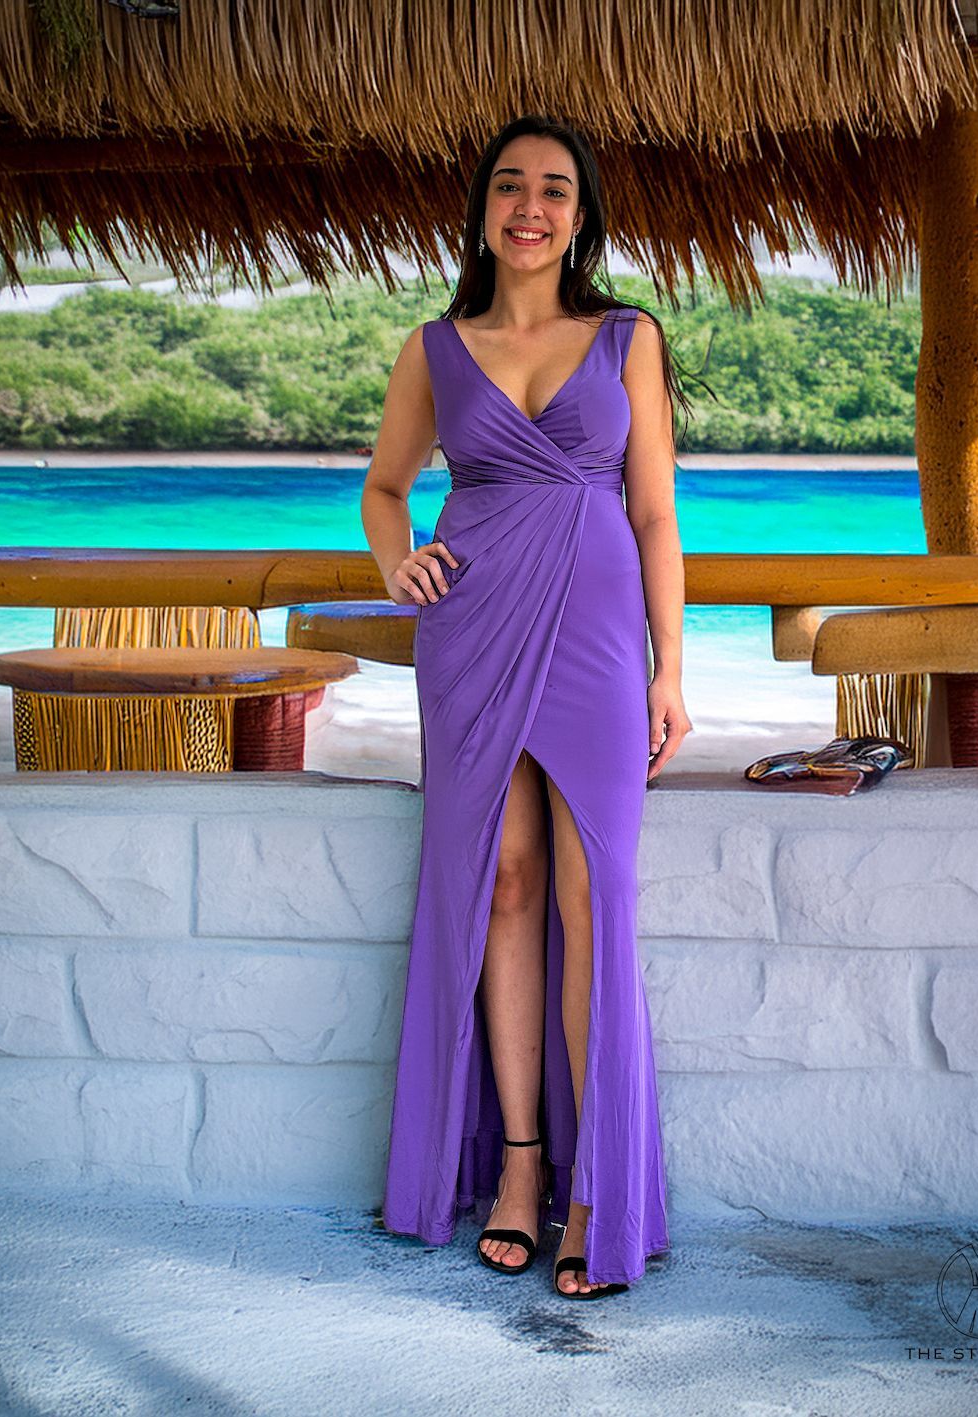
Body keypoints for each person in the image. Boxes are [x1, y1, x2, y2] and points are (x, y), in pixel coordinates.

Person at [361, 114, 692, 1298]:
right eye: (510, 185)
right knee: (500, 882)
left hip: (602, 636)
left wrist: (670, 667)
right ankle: (517, 1165)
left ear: (582, 213)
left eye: (555, 187)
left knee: (592, 894)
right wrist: (396, 560)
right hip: (473, 634)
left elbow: (653, 512)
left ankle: (596, 1186)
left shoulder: (627, 337)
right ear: (483, 209)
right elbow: (386, 487)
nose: (531, 205)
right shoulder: (433, 347)